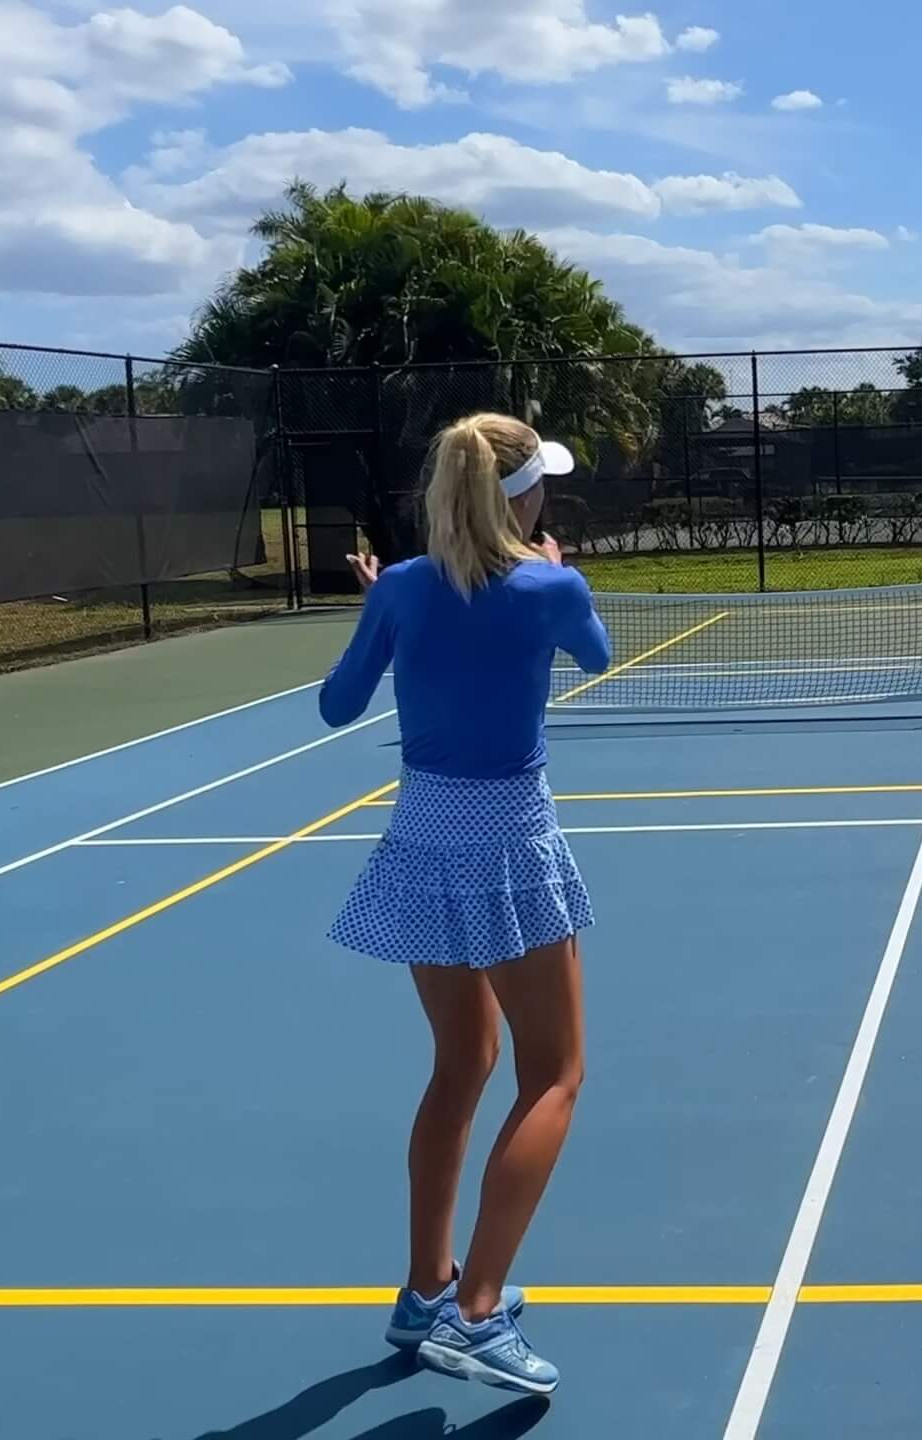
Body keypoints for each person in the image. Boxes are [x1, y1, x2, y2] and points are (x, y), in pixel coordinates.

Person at [316, 411, 612, 1395]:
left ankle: (424, 1291)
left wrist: (386, 614)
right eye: (539, 485)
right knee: (556, 1076)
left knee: (461, 1063)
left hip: (419, 839)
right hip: (510, 845)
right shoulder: (551, 584)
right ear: (516, 494)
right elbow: (598, 657)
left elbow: (337, 706)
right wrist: (549, 569)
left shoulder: (400, 588)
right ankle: (478, 1311)